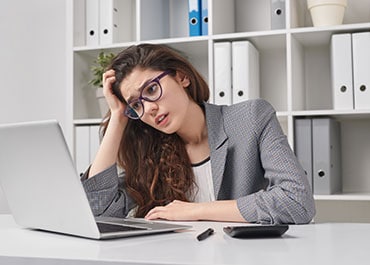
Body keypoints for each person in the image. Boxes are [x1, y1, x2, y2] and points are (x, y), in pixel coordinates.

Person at [81, 43, 315, 224]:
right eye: (137, 105)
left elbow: (297, 201)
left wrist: (195, 211)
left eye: (151, 89)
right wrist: (118, 117)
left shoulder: (251, 118)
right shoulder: (149, 153)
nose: (149, 108)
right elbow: (98, 212)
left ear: (182, 77)